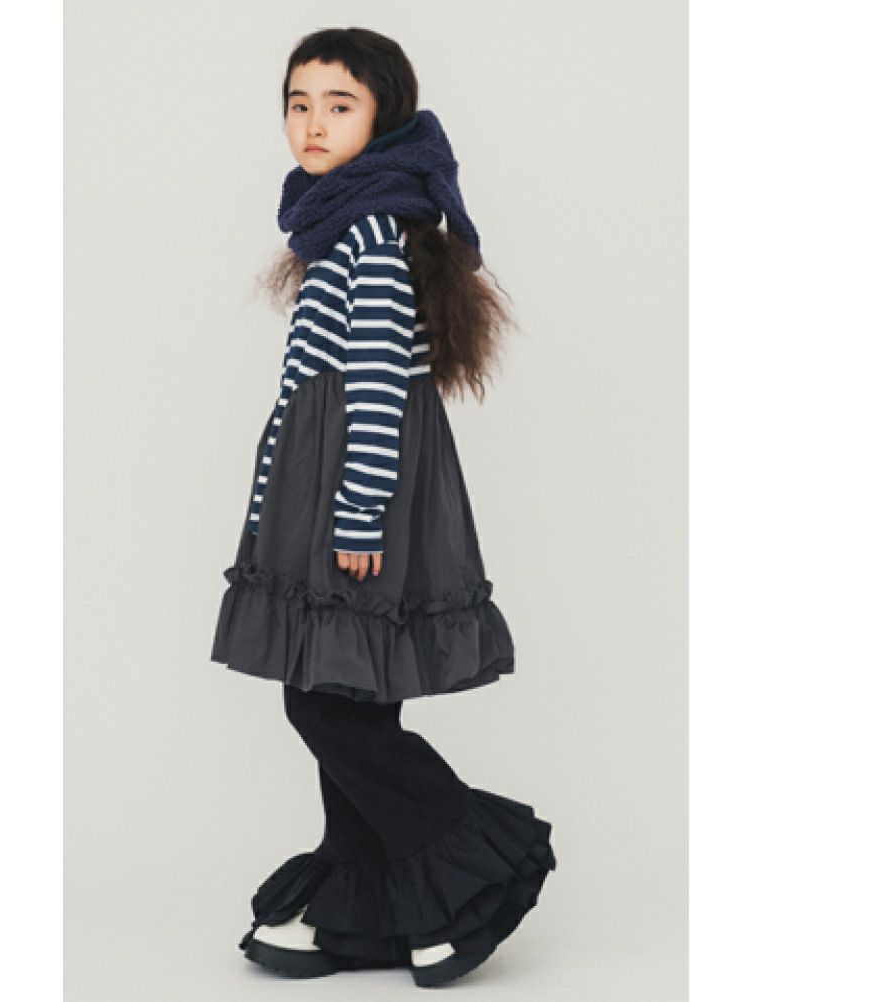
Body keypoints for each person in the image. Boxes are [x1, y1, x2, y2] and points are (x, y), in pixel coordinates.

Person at [210, 27, 557, 988]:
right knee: (350, 690)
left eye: (340, 105)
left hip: (355, 501)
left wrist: (356, 515)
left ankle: (467, 861)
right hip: (324, 494)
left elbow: (376, 390)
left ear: (384, 119)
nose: (312, 123)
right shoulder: (343, 227)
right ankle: (374, 909)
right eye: (298, 104)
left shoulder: (367, 236)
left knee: (323, 702)